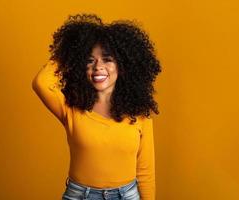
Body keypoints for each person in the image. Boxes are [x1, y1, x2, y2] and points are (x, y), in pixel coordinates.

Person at [32, 13, 162, 200]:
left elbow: (145, 170)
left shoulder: (140, 112)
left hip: (127, 196)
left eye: (107, 59)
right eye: (90, 60)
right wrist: (71, 51)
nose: (98, 67)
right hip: (79, 195)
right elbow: (41, 82)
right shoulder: (71, 108)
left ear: (122, 65)